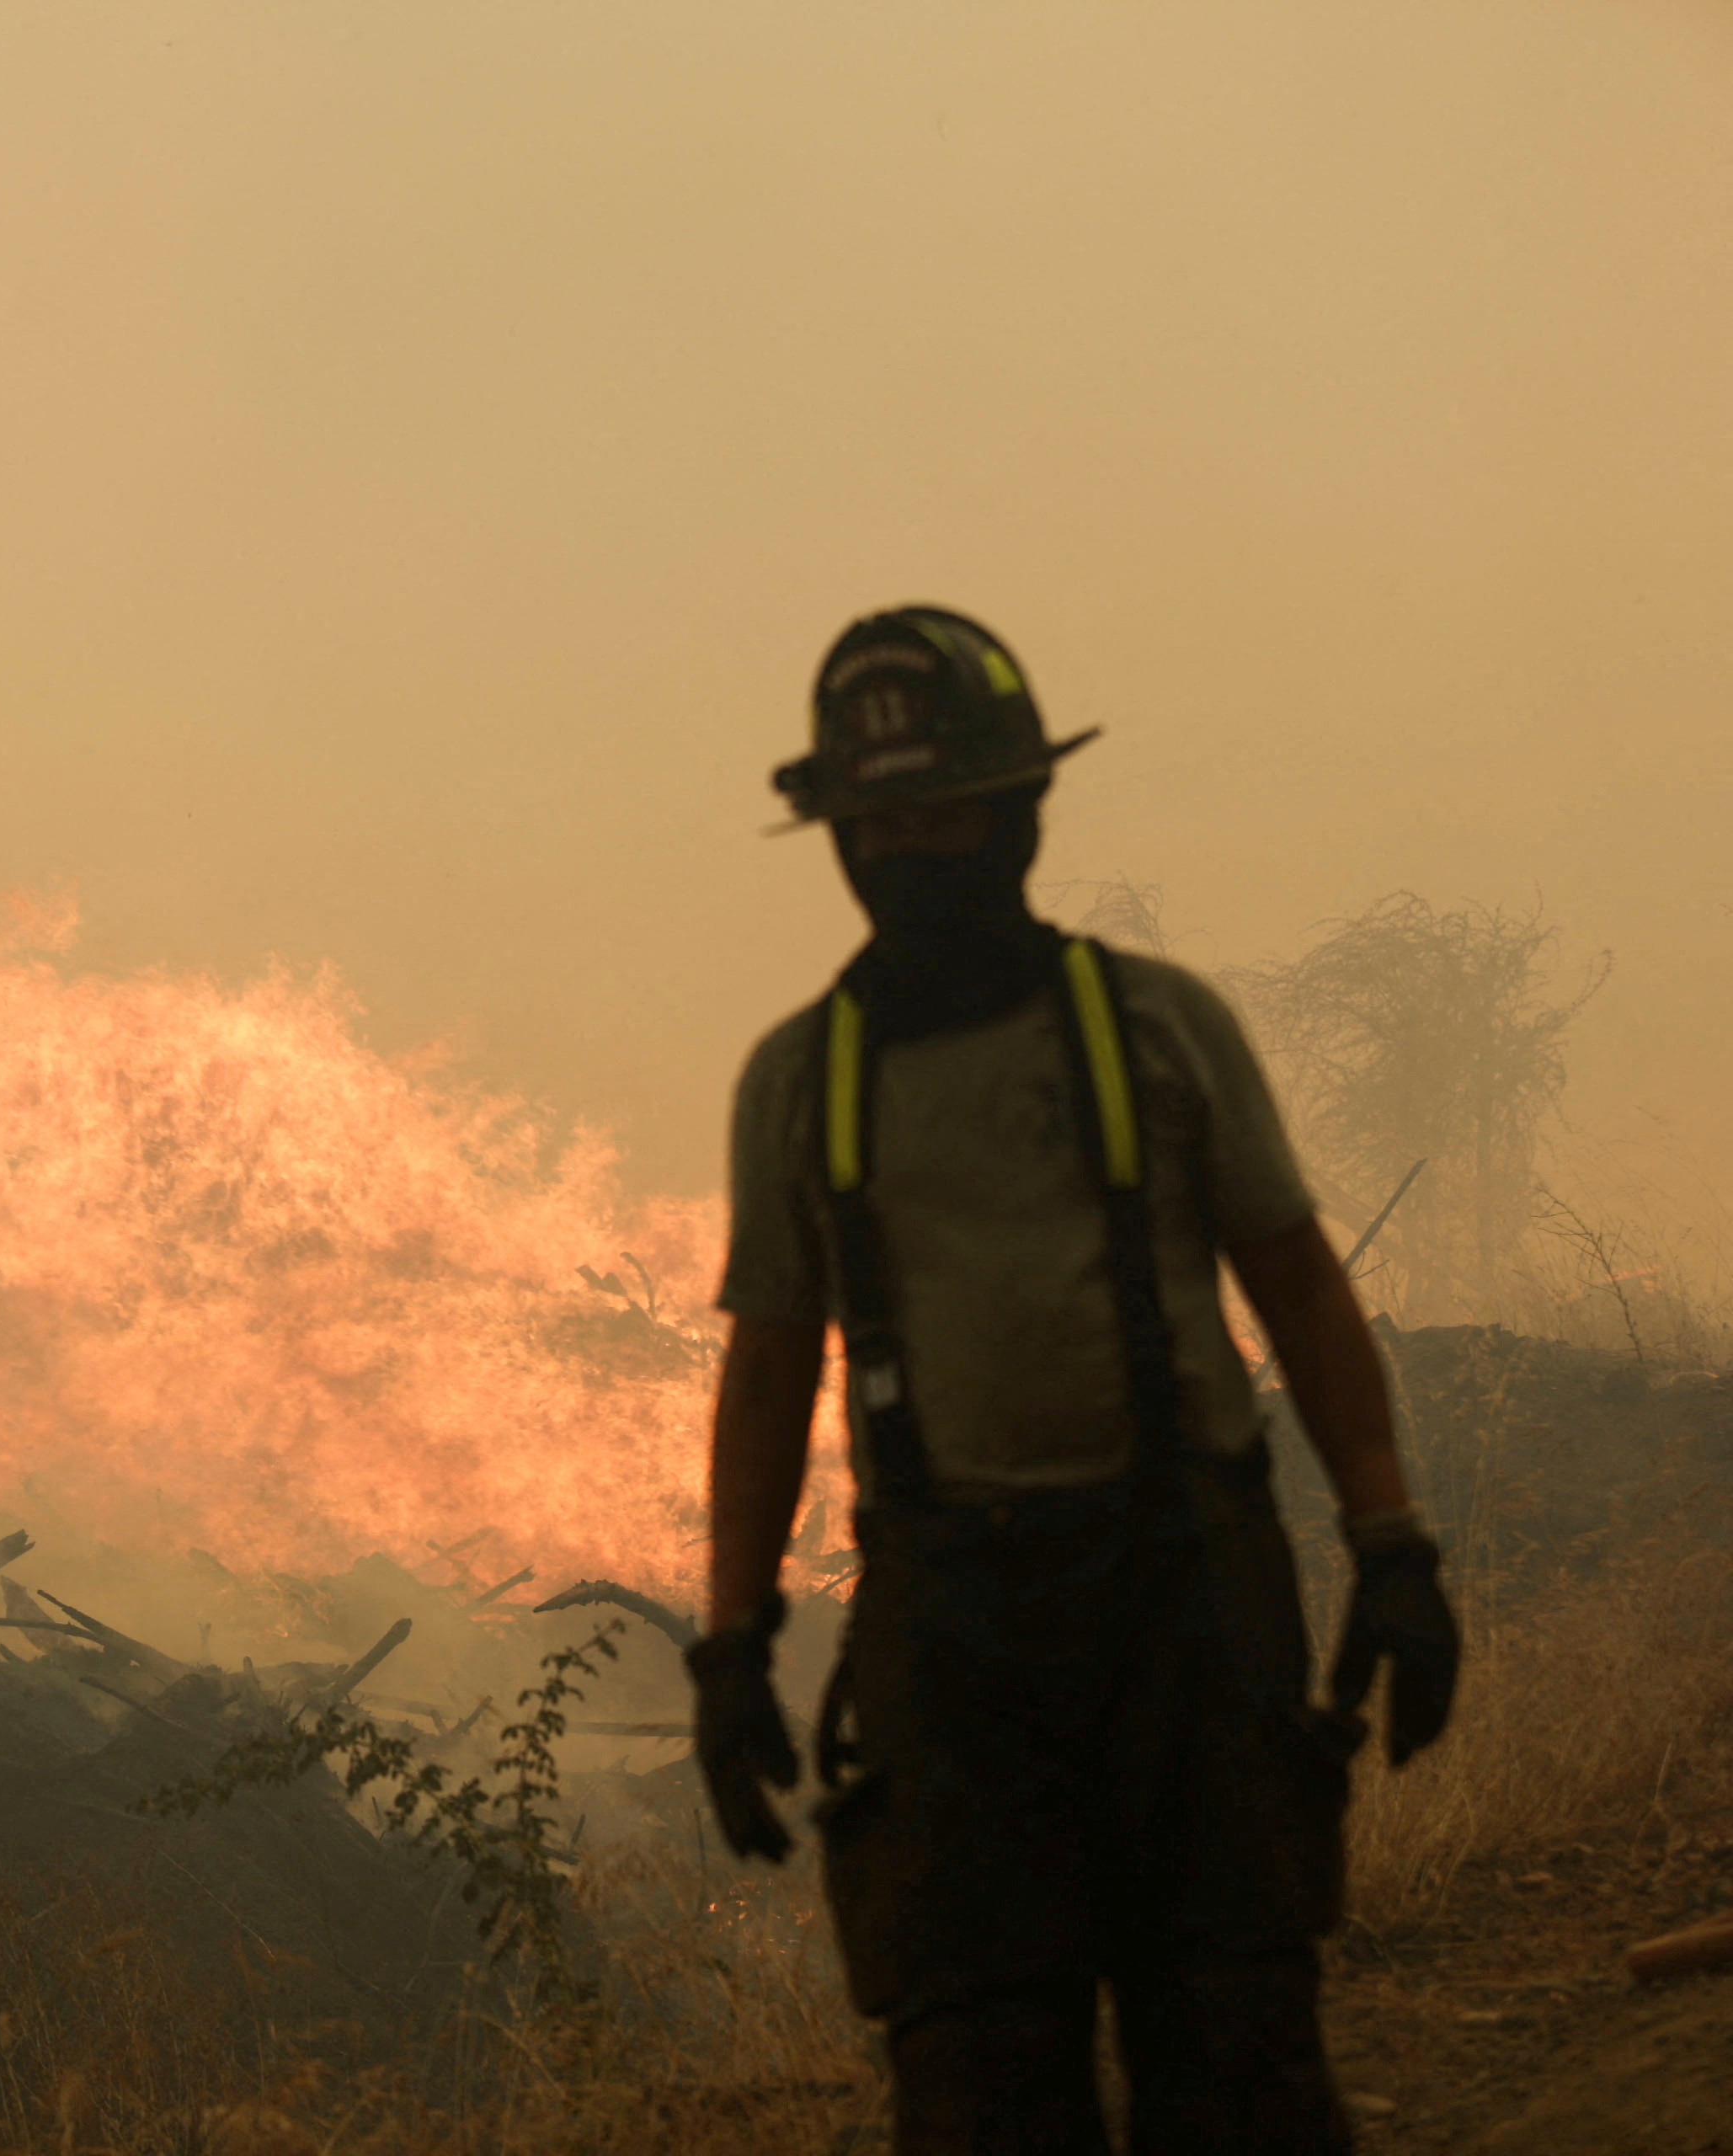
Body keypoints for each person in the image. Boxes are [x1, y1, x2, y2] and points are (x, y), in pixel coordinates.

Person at [682, 609, 1461, 2155]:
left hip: (1188, 1600)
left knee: (1237, 2065)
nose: (907, 852)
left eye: (941, 813)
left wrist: (1394, 1546)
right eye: (877, 824)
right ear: (837, 839)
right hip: (948, 1634)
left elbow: (1300, 1291)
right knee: (980, 2085)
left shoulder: (1159, 1028)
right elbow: (768, 1379)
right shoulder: (799, 1082)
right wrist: (731, 1641)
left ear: (1022, 811)